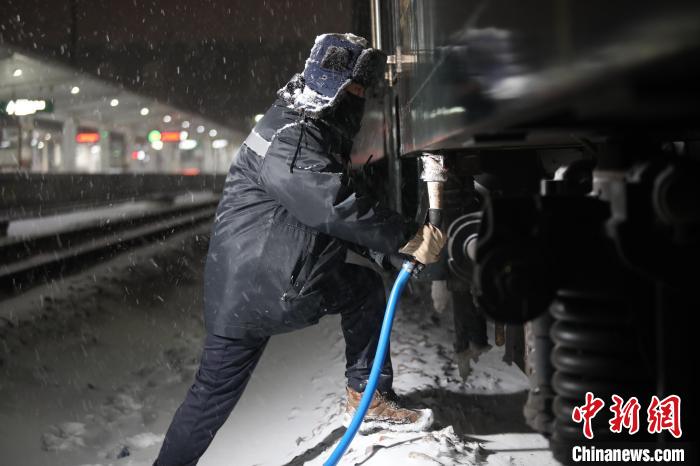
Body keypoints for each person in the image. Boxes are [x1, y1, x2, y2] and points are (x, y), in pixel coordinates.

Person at [154, 33, 445, 466]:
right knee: (362, 292)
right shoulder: (293, 137)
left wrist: (391, 253)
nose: (360, 100)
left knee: (210, 396)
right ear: (336, 88)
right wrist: (409, 236)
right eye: (356, 90)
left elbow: (323, 213)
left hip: (249, 286)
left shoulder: (298, 128)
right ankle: (369, 398)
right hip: (267, 286)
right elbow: (332, 207)